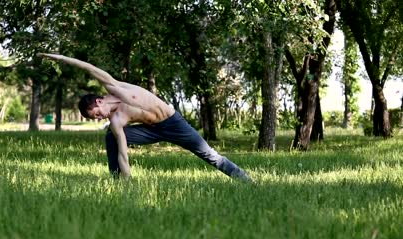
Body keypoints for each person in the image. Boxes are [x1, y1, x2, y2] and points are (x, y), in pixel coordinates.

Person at [39, 53, 253, 182]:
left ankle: (245, 180)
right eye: (94, 119)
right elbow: (123, 154)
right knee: (111, 137)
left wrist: (60, 58)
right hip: (151, 131)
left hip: (173, 123)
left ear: (98, 102)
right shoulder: (116, 121)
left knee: (210, 155)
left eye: (95, 114)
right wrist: (128, 182)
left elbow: (90, 68)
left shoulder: (116, 89)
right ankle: (117, 183)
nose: (98, 118)